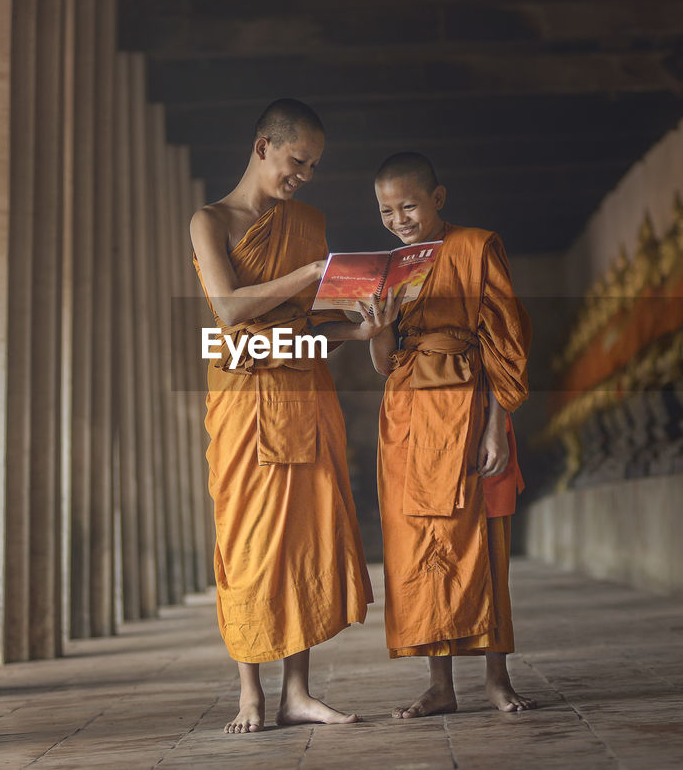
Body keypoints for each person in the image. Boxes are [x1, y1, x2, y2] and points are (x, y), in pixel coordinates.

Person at [190, 99, 395, 734]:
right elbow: (228, 309)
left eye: (313, 166)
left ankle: (297, 693)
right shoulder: (210, 220)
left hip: (304, 390)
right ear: (263, 147)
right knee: (249, 540)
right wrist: (310, 271)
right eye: (297, 160)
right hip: (244, 396)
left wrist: (359, 329)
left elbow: (307, 325)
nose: (303, 175)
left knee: (304, 540)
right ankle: (251, 693)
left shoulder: (306, 220)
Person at [368, 151, 536, 718]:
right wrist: (377, 326)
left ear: (438, 199)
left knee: (488, 541)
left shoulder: (476, 247)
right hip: (409, 419)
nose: (399, 219)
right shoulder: (392, 266)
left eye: (409, 205)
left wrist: (495, 426)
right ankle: (440, 684)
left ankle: (497, 676)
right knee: (418, 546)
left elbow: (503, 341)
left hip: (471, 408)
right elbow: (386, 362)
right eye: (386, 211)